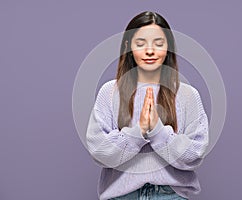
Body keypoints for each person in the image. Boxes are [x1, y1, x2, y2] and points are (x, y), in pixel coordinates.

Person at [86, 11, 209, 200]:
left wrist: (158, 131)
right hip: (121, 196)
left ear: (168, 47)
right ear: (128, 46)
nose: (149, 51)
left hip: (171, 195)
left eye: (158, 44)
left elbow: (194, 154)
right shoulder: (110, 92)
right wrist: (139, 132)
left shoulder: (187, 95)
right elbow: (99, 151)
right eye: (140, 43)